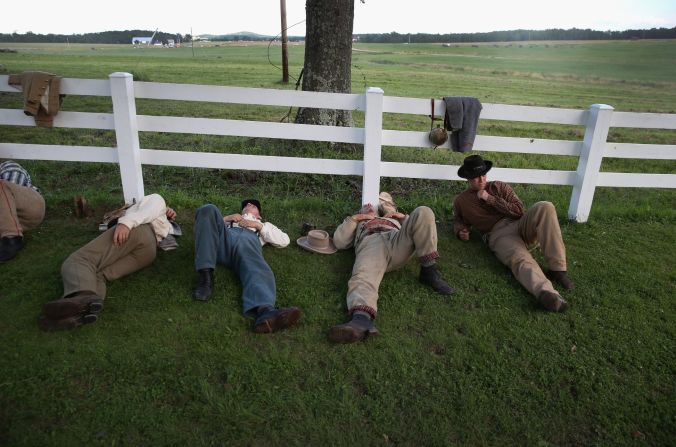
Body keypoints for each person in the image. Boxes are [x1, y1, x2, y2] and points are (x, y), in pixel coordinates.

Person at [39, 193, 180, 330]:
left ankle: (81, 298)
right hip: (149, 253)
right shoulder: (164, 222)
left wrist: (125, 223)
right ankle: (79, 313)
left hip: (138, 231)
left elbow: (154, 204)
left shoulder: (153, 199)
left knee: (78, 261)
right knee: (99, 274)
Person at [452, 154, 574, 313]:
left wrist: (490, 199)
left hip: (520, 224)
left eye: (483, 175)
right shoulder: (461, 200)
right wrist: (461, 230)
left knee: (545, 206)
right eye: (475, 177)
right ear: (468, 178)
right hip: (498, 234)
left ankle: (558, 269)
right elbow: (458, 220)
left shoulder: (499, 187)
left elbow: (518, 211)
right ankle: (547, 293)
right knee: (520, 259)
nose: (481, 180)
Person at [328, 192, 454, 343]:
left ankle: (428, 271)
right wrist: (356, 218)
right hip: (371, 243)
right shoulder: (358, 221)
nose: (371, 207)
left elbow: (419, 229)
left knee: (424, 211)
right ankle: (360, 321)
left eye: (377, 205)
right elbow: (339, 242)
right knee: (363, 277)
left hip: (396, 240)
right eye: (368, 206)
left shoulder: (394, 217)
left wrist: (401, 217)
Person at [191, 199, 301, 334]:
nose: (249, 205)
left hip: (247, 245)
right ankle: (205, 278)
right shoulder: (229, 220)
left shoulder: (263, 224)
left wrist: (257, 225)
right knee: (208, 209)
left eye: (253, 205)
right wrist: (228, 218)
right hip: (224, 242)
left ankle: (265, 312)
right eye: (246, 205)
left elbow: (284, 240)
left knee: (257, 267)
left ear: (259, 215)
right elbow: (204, 226)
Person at [0, 160, 45, 262]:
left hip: (30, 208)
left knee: (1, 186)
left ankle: (12, 238)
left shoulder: (8, 166)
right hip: (6, 221)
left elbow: (7, 198)